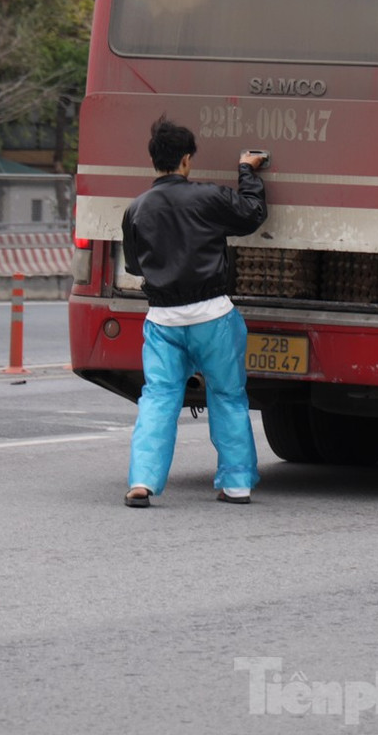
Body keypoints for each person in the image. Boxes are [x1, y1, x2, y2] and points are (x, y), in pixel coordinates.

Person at [120, 118, 268, 507]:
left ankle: (142, 482)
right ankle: (236, 484)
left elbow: (135, 267)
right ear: (186, 160)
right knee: (228, 396)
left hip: (163, 321)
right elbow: (253, 214)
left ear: (154, 161)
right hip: (213, 317)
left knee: (158, 399)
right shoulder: (208, 198)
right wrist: (246, 171)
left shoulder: (136, 209)